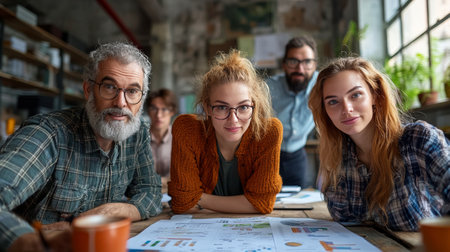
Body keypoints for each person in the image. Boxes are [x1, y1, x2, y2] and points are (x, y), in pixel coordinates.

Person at [0, 42, 162, 252]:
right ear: (88, 90)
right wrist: (31, 241)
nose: (121, 103)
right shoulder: (49, 134)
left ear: (141, 98)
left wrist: (117, 210)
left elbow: (150, 191)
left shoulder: (137, 134)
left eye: (132, 91)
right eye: (110, 87)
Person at [308, 57, 449, 231]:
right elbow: (345, 220)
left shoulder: (418, 140)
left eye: (356, 95)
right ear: (325, 110)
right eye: (333, 101)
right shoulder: (338, 155)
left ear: (375, 95)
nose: (346, 109)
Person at [168, 50, 283, 214]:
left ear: (254, 106)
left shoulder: (268, 133)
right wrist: (245, 203)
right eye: (222, 107)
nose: (233, 119)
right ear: (207, 107)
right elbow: (183, 203)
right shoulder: (187, 130)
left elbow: (262, 204)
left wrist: (200, 199)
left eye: (243, 107)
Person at [266, 36, 319, 188]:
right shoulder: (268, 87)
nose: (300, 69)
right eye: (293, 62)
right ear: (284, 64)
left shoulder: (323, 85)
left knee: (297, 203)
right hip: (268, 156)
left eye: (307, 62)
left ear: (314, 65)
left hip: (297, 155)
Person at [146, 88, 177, 189]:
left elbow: (183, 177)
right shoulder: (139, 140)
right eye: (154, 109)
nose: (158, 115)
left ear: (172, 111)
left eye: (164, 109)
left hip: (174, 195)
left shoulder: (180, 140)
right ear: (148, 111)